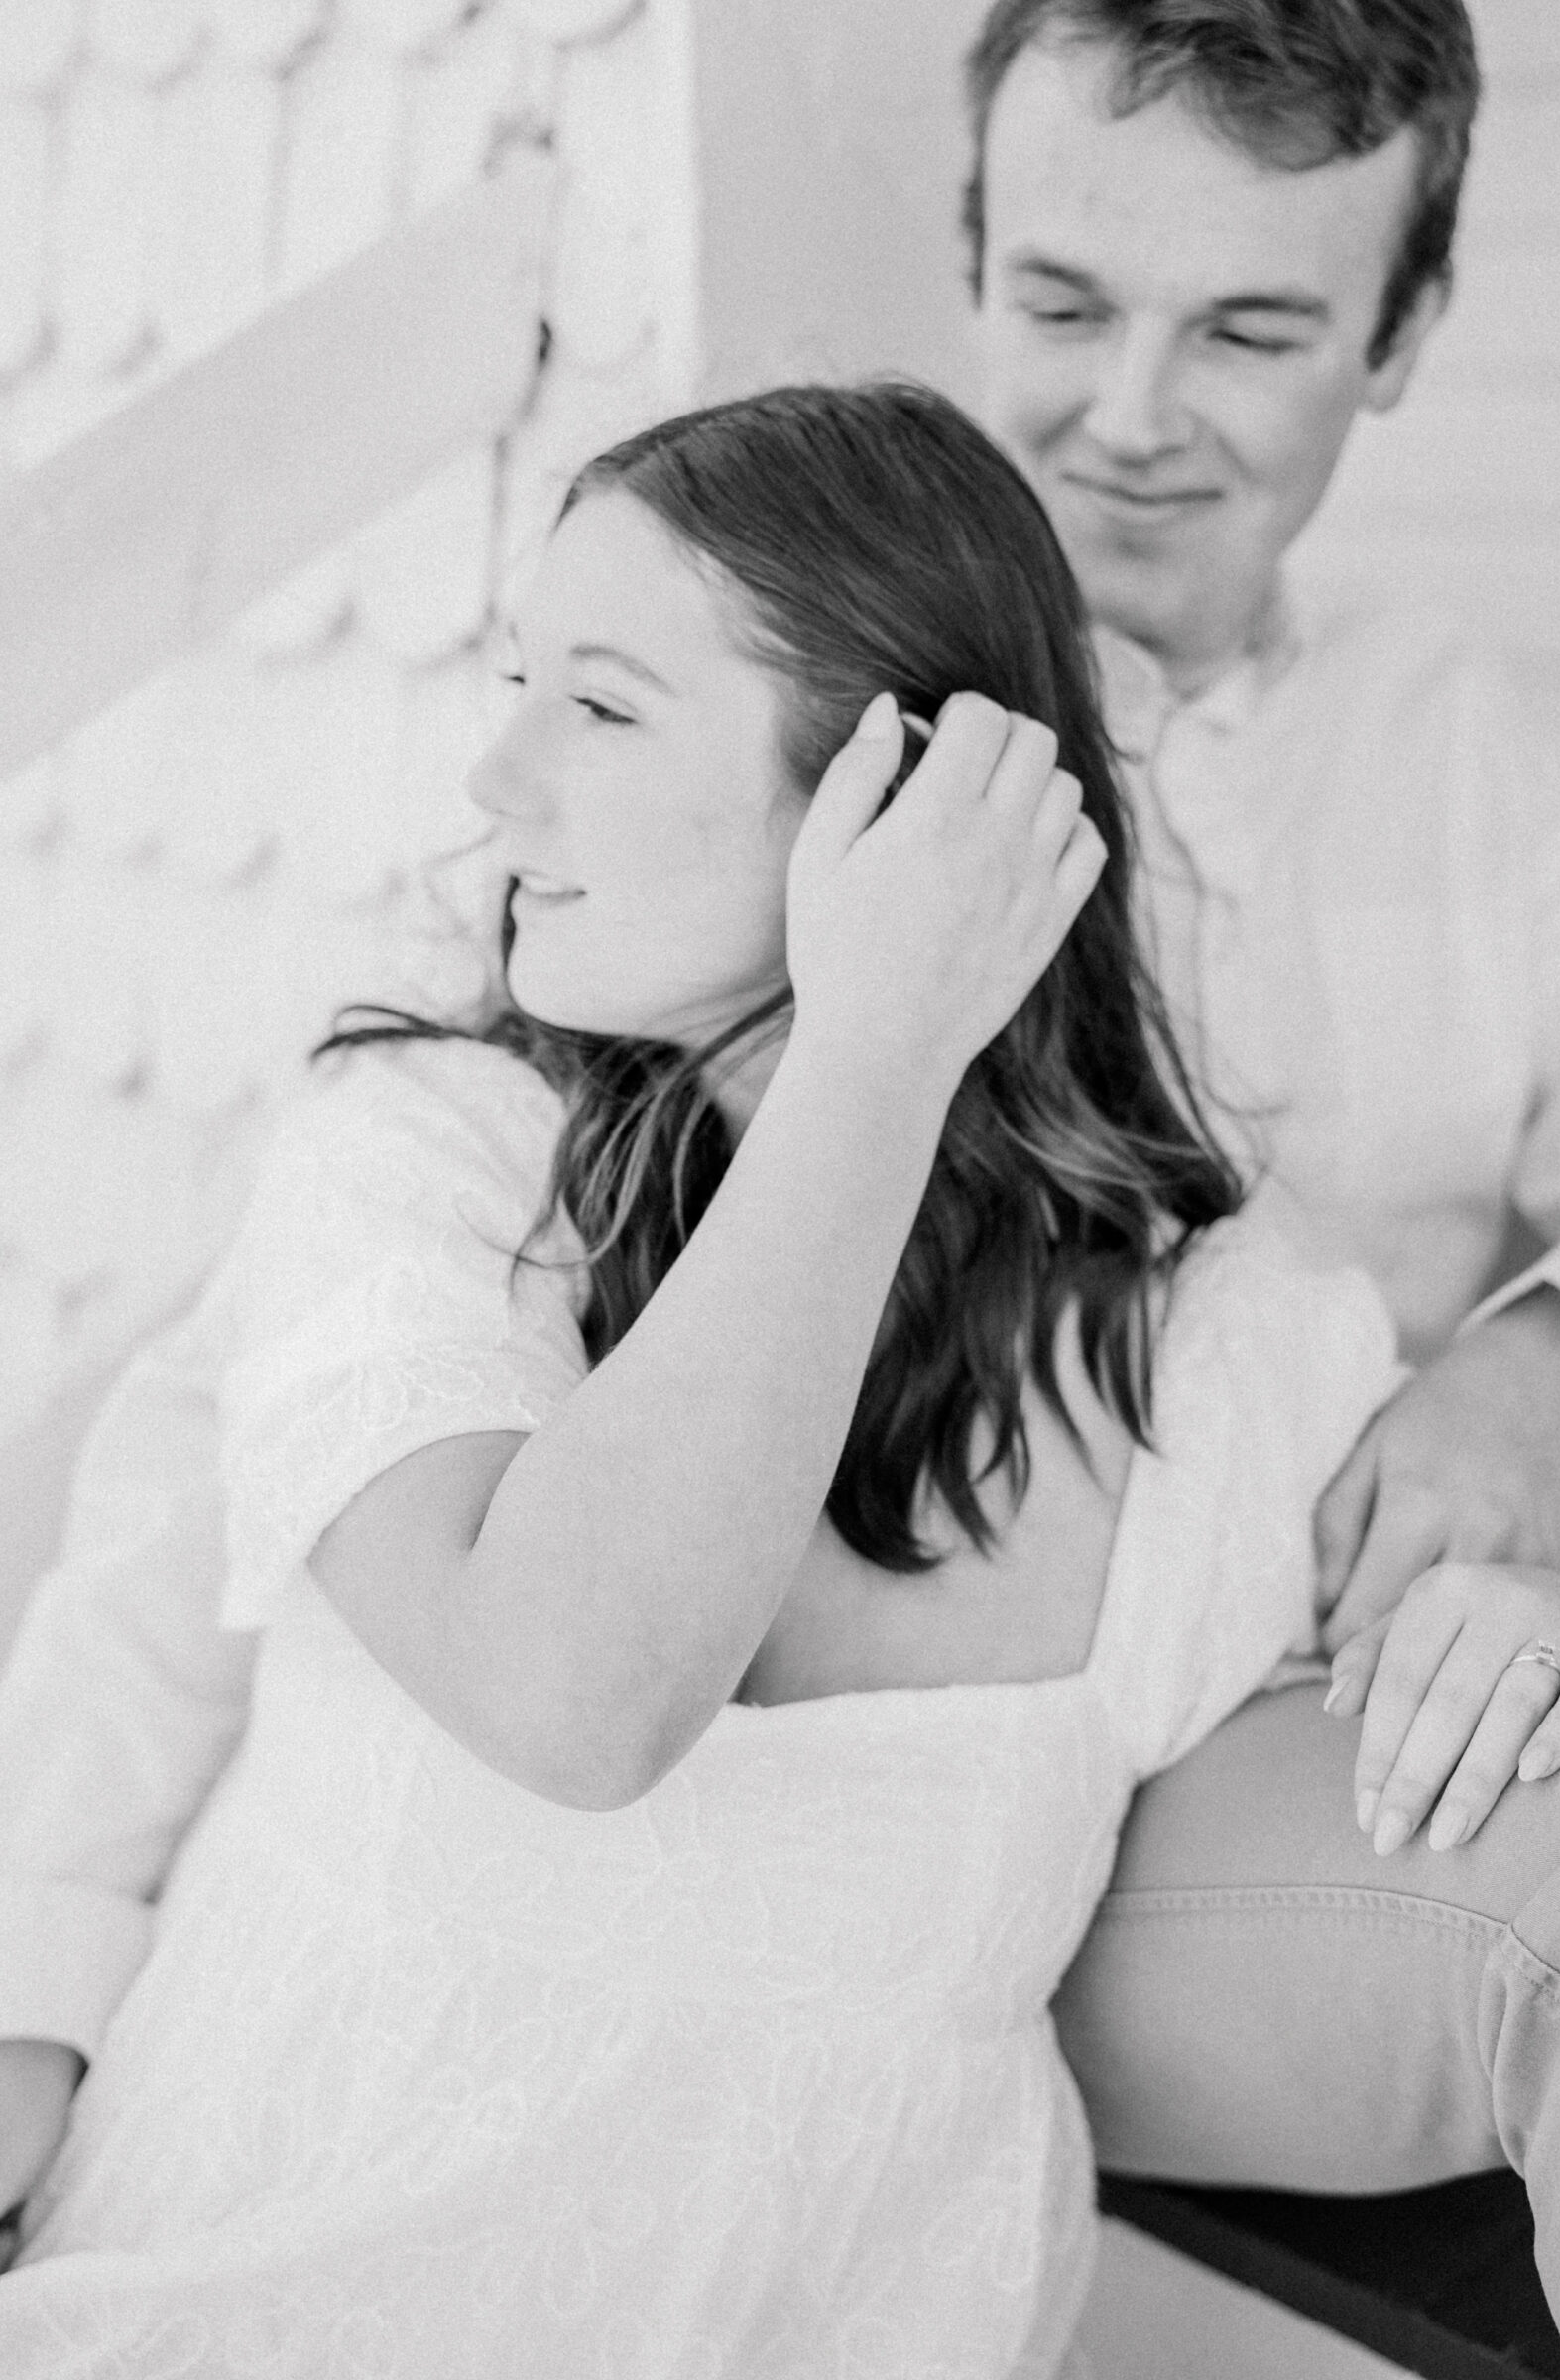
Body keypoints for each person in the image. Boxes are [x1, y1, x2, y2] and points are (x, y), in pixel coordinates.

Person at [0, 382, 1407, 2375]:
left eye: (598, 703)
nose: (493, 775)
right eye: (515, 682)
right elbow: (574, 1689)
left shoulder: (1235, 1358)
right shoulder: (428, 1160)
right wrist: (874, 1049)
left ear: (894, 798)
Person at [959, 0, 1560, 2346]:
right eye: (1058, 304)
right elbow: (320, 1330)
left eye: (1246, 327)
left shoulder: (1454, 745)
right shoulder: (755, 679)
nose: (1126, 417)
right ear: (969, 254)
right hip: (979, 1803)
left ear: (1405, 327)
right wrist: (47, 1991)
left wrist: (1554, 1352)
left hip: (1349, 1711)